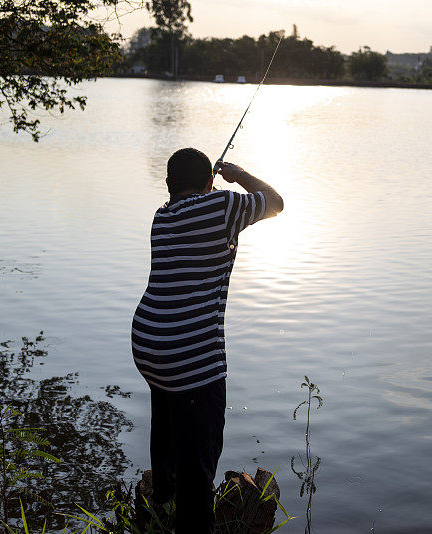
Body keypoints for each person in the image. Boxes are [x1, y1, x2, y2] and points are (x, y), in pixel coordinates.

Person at [131, 147, 283, 532]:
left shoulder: (161, 216)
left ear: (168, 184)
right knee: (200, 452)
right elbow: (276, 203)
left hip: (149, 344)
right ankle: (193, 520)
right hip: (190, 354)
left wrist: (213, 185)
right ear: (210, 182)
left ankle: (163, 495)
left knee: (166, 414)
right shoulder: (221, 206)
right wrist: (239, 173)